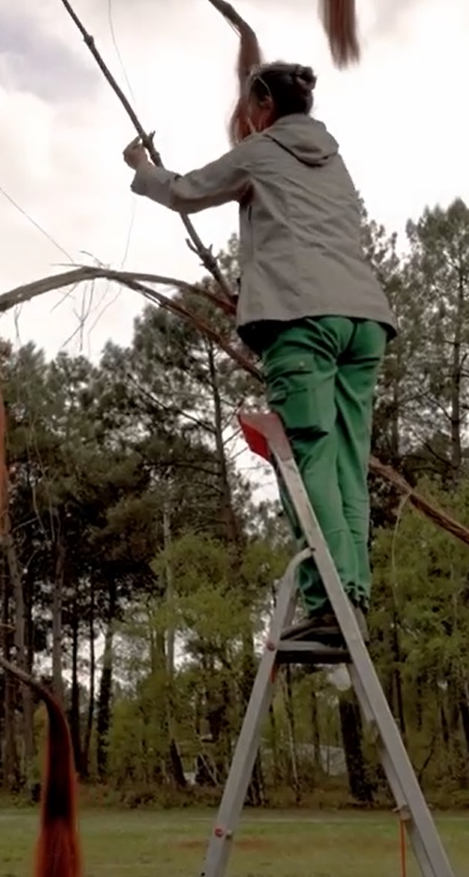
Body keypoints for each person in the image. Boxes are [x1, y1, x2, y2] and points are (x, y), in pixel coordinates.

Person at [122, 60, 396, 646]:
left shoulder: (261, 152)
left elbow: (184, 191)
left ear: (264, 103)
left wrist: (142, 167)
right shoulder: (336, 162)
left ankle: (330, 606)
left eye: (250, 106)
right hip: (365, 320)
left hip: (302, 319)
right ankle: (352, 597)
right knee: (347, 463)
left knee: (310, 459)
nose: (245, 117)